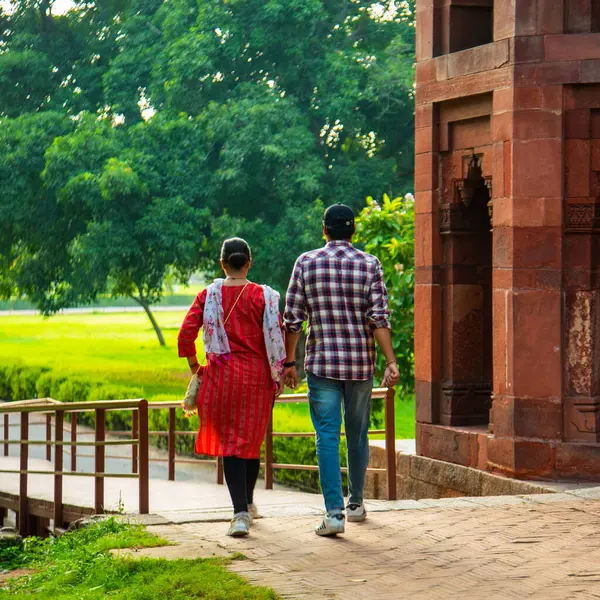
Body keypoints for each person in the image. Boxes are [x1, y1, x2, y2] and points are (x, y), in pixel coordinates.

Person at [283, 203, 400, 537]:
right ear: (353, 232)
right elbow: (379, 318)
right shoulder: (369, 264)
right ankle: (356, 503)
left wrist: (289, 363)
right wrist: (391, 362)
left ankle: (333, 514)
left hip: (321, 364)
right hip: (360, 365)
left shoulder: (306, 263)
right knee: (358, 433)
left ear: (324, 230)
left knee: (327, 436)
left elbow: (293, 319)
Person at [178, 238, 286, 537]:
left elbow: (185, 335)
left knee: (230, 446)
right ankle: (248, 504)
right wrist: (279, 374)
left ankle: (240, 513)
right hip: (256, 380)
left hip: (220, 379)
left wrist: (195, 368)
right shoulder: (264, 296)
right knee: (249, 443)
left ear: (222, 263)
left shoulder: (207, 295)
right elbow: (276, 338)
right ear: (249, 263)